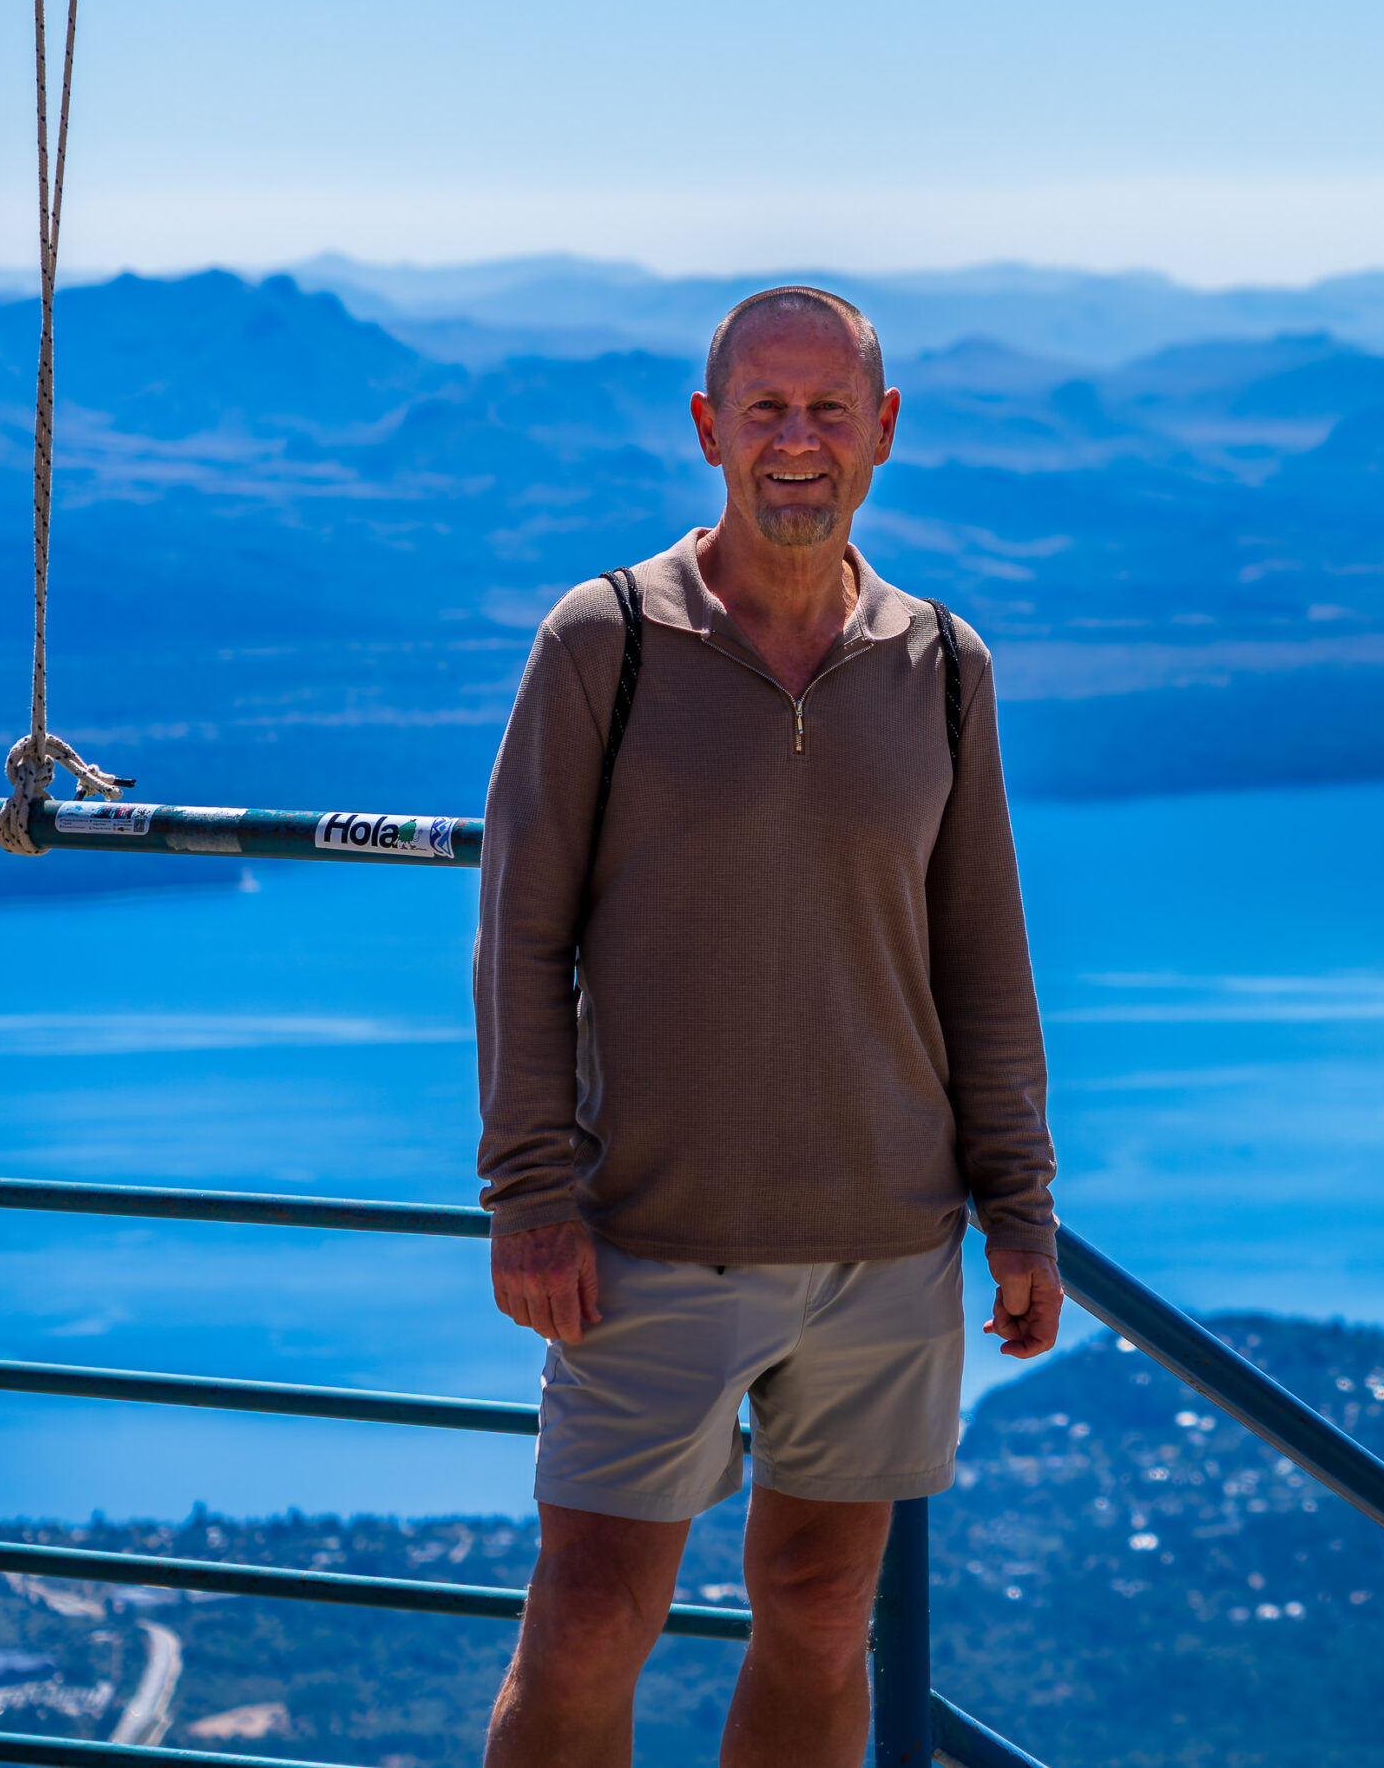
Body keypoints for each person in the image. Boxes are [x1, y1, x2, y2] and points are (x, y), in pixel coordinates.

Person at [470, 286, 1062, 1767]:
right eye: (764, 410)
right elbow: (521, 939)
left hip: (885, 1241)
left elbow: (982, 958)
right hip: (646, 1240)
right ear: (706, 430)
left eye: (826, 411)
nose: (795, 443)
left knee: (818, 1607)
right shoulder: (605, 643)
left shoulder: (941, 668)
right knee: (593, 1618)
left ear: (883, 433)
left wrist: (1021, 1210)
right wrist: (529, 1198)